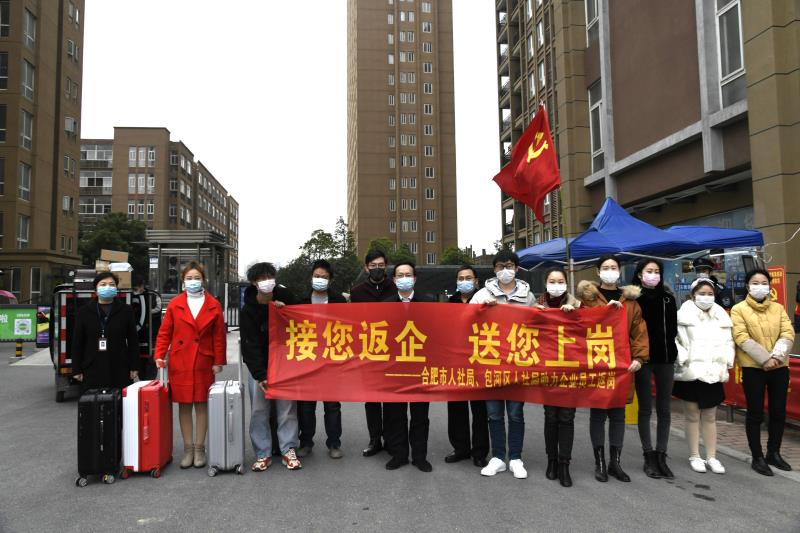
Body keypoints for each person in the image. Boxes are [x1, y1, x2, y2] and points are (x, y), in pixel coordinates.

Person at [576, 254, 649, 483]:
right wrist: (604, 312)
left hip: (622, 365)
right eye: (605, 267)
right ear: (598, 272)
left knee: (618, 414)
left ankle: (615, 462)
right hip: (598, 363)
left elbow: (639, 331)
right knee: (598, 414)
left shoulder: (631, 301)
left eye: (614, 267)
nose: (610, 271)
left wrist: (639, 357)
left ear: (619, 271)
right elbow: (579, 326)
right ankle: (599, 462)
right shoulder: (588, 299)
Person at [470, 250, 537, 480]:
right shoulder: (481, 294)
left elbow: (538, 325)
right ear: (494, 269)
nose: (505, 270)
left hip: (518, 363)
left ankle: (516, 457)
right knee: (494, 414)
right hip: (491, 363)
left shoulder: (528, 296)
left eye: (509, 266)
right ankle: (498, 457)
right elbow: (464, 320)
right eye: (500, 266)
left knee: (516, 413)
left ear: (516, 268)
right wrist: (480, 309)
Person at [154, 261, 226, 469]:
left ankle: (199, 448)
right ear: (183, 281)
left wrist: (218, 361)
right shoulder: (175, 304)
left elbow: (219, 336)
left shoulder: (213, 304)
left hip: (204, 360)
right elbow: (165, 332)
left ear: (204, 280)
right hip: (181, 361)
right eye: (189, 278)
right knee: (184, 405)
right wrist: (159, 354)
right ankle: (188, 449)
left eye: (197, 278)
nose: (193, 281)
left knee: (202, 404)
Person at [731, 267, 795, 476]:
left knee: (778, 412)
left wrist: (776, 357)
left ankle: (773, 453)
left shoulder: (778, 308)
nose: (760, 286)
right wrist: (765, 359)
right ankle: (757, 456)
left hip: (779, 367)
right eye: (755, 283)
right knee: (755, 413)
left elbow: (787, 333)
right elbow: (741, 337)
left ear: (770, 286)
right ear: (747, 286)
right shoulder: (738, 309)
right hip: (753, 368)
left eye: (764, 283)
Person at [240, 262, 302, 471]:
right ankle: (262, 452)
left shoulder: (285, 296)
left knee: (287, 409)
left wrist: (287, 311)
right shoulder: (248, 310)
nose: (267, 281)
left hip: (285, 365)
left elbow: (302, 319)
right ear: (253, 283)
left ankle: (288, 449)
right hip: (260, 367)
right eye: (261, 278)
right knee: (259, 410)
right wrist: (260, 375)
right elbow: (249, 345)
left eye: (270, 277)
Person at [673, 278, 735, 474]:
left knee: (710, 416)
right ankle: (694, 455)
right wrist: (683, 359)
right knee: (692, 415)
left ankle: (712, 457)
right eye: (702, 294)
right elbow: (675, 341)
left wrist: (727, 361)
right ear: (693, 295)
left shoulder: (721, 316)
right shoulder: (682, 315)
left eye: (710, 294)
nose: (706, 297)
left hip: (713, 371)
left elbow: (729, 342)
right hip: (690, 371)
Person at [382, 261, 432, 472]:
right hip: (395, 367)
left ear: (414, 278)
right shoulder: (385, 305)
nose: (404, 278)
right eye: (400, 275)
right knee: (396, 414)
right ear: (394, 280)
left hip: (421, 366)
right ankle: (399, 454)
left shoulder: (428, 303)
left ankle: (420, 457)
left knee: (420, 415)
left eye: (408, 274)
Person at [630, 258, 678, 479]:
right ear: (640, 274)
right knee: (645, 409)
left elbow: (673, 329)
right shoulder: (633, 299)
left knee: (664, 408)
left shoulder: (668, 298)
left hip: (666, 359)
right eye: (649, 271)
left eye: (657, 271)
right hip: (643, 360)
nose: (653, 275)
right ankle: (648, 455)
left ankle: (661, 454)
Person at [535, 267, 581, 487]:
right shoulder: (537, 305)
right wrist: (535, 315)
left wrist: (574, 316)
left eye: (560, 281)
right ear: (545, 284)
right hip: (547, 370)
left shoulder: (577, 305)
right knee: (551, 416)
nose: (556, 285)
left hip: (570, 370)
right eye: (552, 281)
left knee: (567, 417)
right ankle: (551, 460)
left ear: (566, 283)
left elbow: (588, 332)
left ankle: (564, 463)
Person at [349, 249, 398, 457]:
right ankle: (374, 439)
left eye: (381, 265)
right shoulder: (357, 292)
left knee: (391, 400)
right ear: (366, 268)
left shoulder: (395, 287)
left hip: (394, 351)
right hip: (369, 351)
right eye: (373, 265)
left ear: (386, 267)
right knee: (372, 400)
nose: (377, 269)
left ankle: (392, 439)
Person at [297, 259, 346, 460]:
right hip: (307, 358)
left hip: (331, 360)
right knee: (306, 406)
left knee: (332, 405)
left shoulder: (338, 301)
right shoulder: (300, 301)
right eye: (317, 276)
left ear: (330, 280)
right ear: (311, 277)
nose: (320, 279)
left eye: (324, 277)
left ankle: (334, 443)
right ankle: (306, 442)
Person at [445, 265, 489, 468]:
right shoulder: (449, 303)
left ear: (476, 281)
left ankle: (480, 452)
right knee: (456, 409)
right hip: (455, 363)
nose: (464, 281)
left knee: (480, 411)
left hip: (479, 362)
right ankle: (460, 448)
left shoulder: (485, 301)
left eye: (468, 278)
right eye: (461, 278)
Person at [72, 272, 139, 391]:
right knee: (93, 400)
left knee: (118, 400)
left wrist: (134, 366)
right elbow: (77, 342)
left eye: (112, 284)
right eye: (103, 284)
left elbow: (133, 340)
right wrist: (76, 369)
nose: (107, 287)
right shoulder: (84, 312)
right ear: (96, 289)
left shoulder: (126, 311)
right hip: (92, 367)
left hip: (119, 366)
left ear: (116, 288)